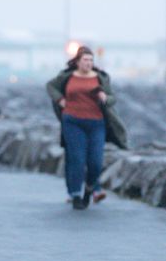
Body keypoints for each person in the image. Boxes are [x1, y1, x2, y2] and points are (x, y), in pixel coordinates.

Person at [46, 46, 127, 209]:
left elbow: (112, 99)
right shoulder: (67, 76)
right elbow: (50, 86)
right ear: (77, 62)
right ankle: (76, 194)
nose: (88, 63)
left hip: (97, 123)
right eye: (85, 60)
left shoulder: (101, 77)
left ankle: (90, 189)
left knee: (96, 162)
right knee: (77, 159)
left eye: (91, 60)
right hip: (73, 122)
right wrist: (60, 99)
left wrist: (105, 98)